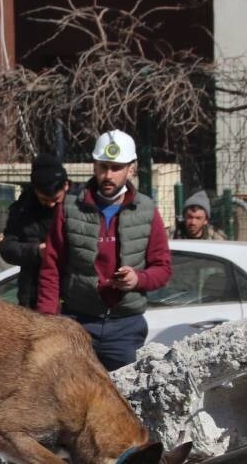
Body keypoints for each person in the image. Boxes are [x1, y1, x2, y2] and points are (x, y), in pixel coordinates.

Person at [36, 130, 172, 371]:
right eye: (103, 166)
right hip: (77, 322)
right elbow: (51, 268)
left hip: (125, 326)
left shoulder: (147, 211)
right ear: (94, 166)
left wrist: (137, 279)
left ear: (131, 169)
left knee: (123, 399)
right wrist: (47, 320)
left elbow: (163, 269)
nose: (108, 175)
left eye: (117, 168)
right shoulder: (69, 208)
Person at [0, 153, 74, 308]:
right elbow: (8, 248)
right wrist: (36, 251)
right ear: (35, 190)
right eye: (45, 200)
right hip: (33, 293)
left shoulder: (78, 206)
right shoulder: (22, 210)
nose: (51, 205)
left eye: (56, 200)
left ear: (66, 186)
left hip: (72, 294)